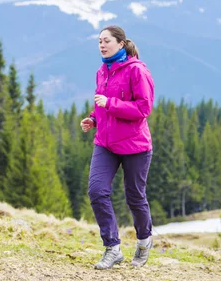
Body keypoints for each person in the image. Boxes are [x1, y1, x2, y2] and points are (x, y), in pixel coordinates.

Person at [80, 25, 155, 270]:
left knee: (135, 197)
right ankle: (112, 248)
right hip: (106, 143)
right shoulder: (102, 71)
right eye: (99, 41)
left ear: (121, 44)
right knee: (97, 191)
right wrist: (93, 118)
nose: (102, 45)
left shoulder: (137, 71)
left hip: (135, 145)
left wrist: (110, 104)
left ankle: (144, 241)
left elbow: (143, 108)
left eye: (107, 41)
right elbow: (101, 104)